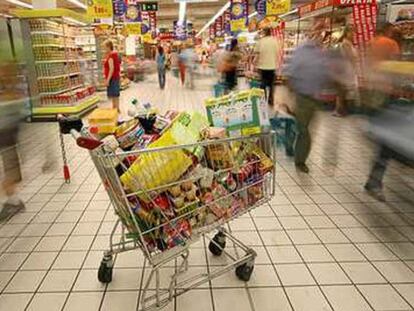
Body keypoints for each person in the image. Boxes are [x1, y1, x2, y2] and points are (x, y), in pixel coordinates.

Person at [286, 22, 330, 173]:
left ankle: (293, 146)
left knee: (304, 127)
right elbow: (290, 74)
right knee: (304, 130)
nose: (320, 35)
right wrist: (290, 96)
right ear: (311, 33)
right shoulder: (302, 51)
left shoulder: (322, 52)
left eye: (322, 32)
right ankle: (300, 160)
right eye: (317, 30)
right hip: (302, 96)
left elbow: (325, 74)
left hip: (316, 97)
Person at [332, 27, 358, 117]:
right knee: (342, 91)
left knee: (342, 91)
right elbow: (350, 57)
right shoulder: (346, 44)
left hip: (346, 69)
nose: (353, 35)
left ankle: (340, 109)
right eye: (352, 33)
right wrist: (355, 64)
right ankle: (339, 110)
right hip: (346, 69)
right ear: (347, 33)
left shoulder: (347, 43)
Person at [254, 27, 280, 106]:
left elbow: (257, 54)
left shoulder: (260, 41)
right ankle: (271, 100)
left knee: (263, 84)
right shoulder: (275, 41)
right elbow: (277, 53)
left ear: (264, 33)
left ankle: (262, 100)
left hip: (262, 66)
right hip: (272, 66)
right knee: (271, 85)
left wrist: (254, 63)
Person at [103, 40, 121, 113]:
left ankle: (115, 109)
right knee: (115, 94)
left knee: (114, 94)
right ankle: (116, 108)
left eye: (104, 47)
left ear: (108, 47)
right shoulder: (115, 54)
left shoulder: (111, 56)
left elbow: (111, 68)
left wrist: (108, 79)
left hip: (112, 78)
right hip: (115, 77)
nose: (104, 49)